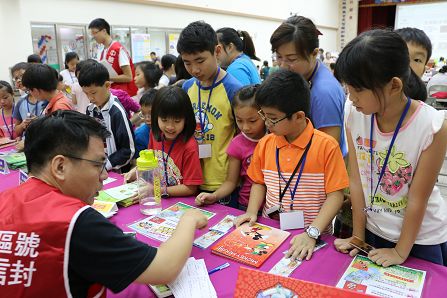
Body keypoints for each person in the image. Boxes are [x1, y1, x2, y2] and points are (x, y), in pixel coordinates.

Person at [0, 110, 208, 297]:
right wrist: (188, 220)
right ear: (60, 166)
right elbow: (165, 268)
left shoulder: (5, 199)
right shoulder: (76, 222)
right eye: (98, 164)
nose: (105, 175)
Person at [333, 29, 447, 267]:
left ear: (394, 86)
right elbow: (356, 179)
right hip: (374, 229)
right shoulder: (354, 113)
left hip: (419, 238)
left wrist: (400, 252)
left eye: (358, 90)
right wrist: (358, 236)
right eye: (348, 88)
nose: (350, 97)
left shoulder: (432, 126)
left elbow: (418, 198)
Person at [235, 70, 348, 261]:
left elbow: (335, 196)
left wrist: (312, 233)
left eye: (272, 117)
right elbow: (258, 182)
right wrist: (252, 212)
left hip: (314, 238)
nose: (266, 122)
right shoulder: (266, 143)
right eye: (264, 114)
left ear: (298, 116)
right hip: (270, 231)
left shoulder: (326, 146)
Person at [177, 21, 243, 193]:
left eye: (200, 60)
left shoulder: (233, 90)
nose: (194, 69)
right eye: (187, 63)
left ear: (217, 51)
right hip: (192, 179)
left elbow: (243, 138)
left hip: (225, 182)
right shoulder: (187, 88)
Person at [271, 15, 347, 156]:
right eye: (279, 57)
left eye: (291, 59)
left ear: (314, 54)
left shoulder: (324, 92)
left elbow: (328, 150)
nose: (282, 66)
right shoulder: (303, 77)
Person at [195, 84, 266, 209]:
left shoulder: (274, 138)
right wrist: (215, 196)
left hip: (272, 206)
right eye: (239, 120)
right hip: (246, 204)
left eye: (252, 121)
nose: (245, 127)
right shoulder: (237, 144)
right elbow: (231, 181)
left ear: (265, 113)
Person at [125, 86, 203, 197]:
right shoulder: (154, 134)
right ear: (156, 116)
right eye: (164, 120)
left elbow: (190, 188)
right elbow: (151, 162)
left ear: (186, 119)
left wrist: (158, 190)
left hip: (180, 202)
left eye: (177, 121)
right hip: (159, 198)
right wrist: (137, 170)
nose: (170, 127)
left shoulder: (189, 146)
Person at [78, 61, 135, 172]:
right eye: (86, 93)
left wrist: (106, 165)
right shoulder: (90, 109)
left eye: (93, 93)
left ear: (107, 85)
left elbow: (128, 150)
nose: (90, 98)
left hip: (116, 170)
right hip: (98, 166)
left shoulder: (117, 112)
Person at [88, 18, 138, 96]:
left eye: (95, 33)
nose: (93, 36)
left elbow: (129, 77)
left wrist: (107, 78)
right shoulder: (103, 50)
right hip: (112, 92)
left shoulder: (118, 49)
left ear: (104, 31)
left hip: (123, 94)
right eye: (92, 34)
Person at [11, 62, 47, 137]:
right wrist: (22, 125)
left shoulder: (45, 97)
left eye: (22, 76)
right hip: (28, 143)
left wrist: (39, 121)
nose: (19, 80)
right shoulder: (21, 102)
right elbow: (17, 131)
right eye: (16, 78)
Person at [134, 89, 157, 158]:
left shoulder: (170, 131)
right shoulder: (140, 136)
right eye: (143, 114)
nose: (147, 119)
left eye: (151, 113)